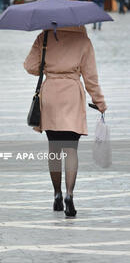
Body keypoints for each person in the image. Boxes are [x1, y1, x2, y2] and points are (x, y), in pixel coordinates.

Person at [24, 26, 107, 217]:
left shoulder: (44, 38)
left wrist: (47, 64)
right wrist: (99, 102)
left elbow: (30, 66)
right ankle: (70, 194)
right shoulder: (83, 41)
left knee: (54, 148)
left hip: (51, 94)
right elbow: (91, 78)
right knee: (71, 149)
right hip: (72, 95)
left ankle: (57, 194)